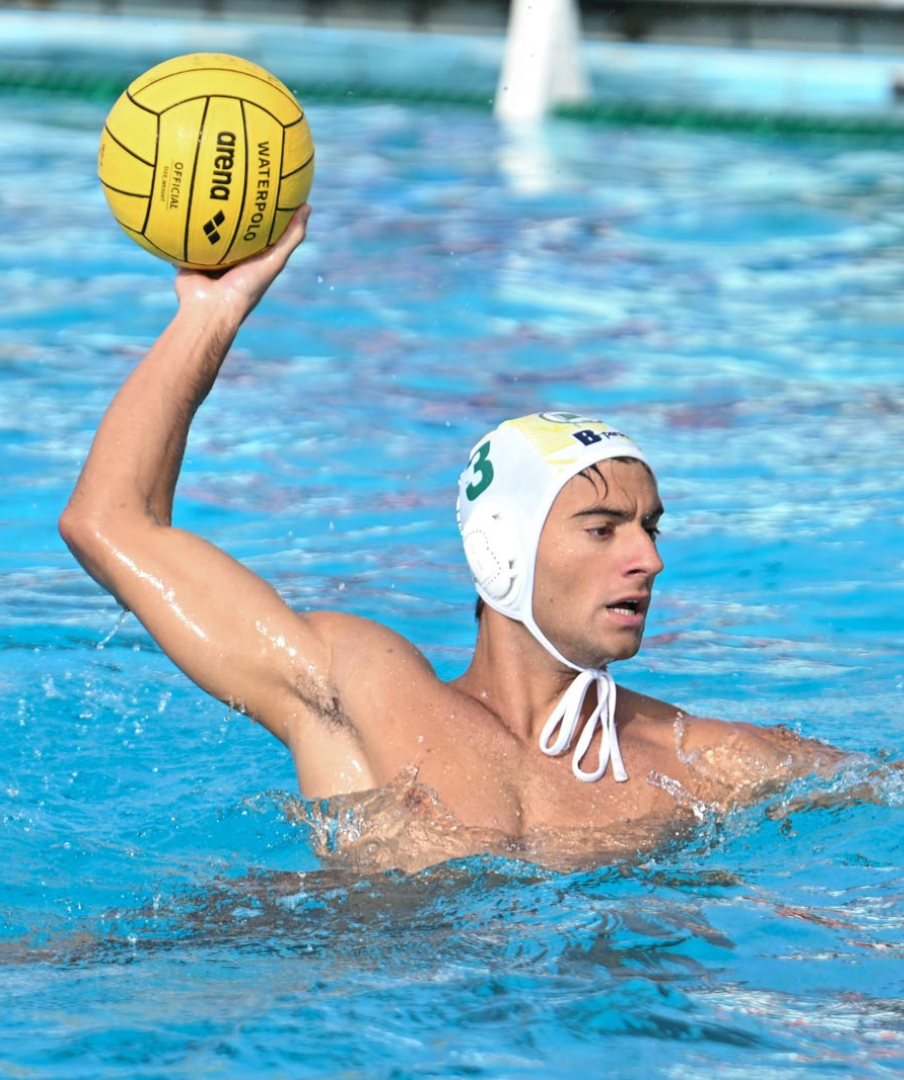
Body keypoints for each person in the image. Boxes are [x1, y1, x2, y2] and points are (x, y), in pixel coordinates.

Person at [59, 205, 838, 870]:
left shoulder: (705, 762)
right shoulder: (366, 690)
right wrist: (209, 316)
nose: (650, 559)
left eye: (650, 528)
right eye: (602, 529)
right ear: (500, 547)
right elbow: (109, 522)